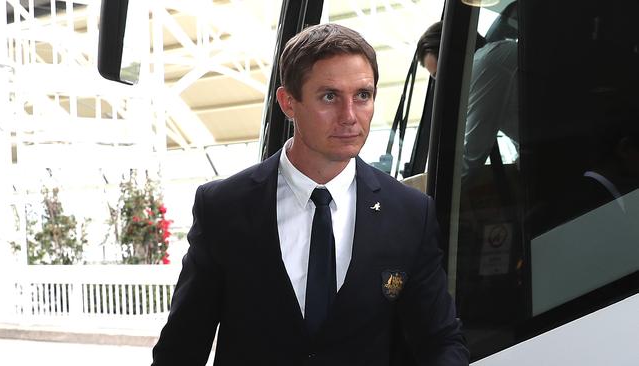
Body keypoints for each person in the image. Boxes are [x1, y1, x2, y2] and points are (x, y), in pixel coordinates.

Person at [151, 23, 468, 366]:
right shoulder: (224, 207)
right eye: (330, 96)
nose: (350, 116)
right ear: (288, 102)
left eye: (363, 95)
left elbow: (439, 340)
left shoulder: (409, 212)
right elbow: (183, 346)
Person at [418, 18, 518, 177]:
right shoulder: (493, 58)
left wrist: (423, 197)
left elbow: (470, 156)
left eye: (442, 74)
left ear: (457, 53)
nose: (443, 85)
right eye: (437, 79)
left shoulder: (485, 63)